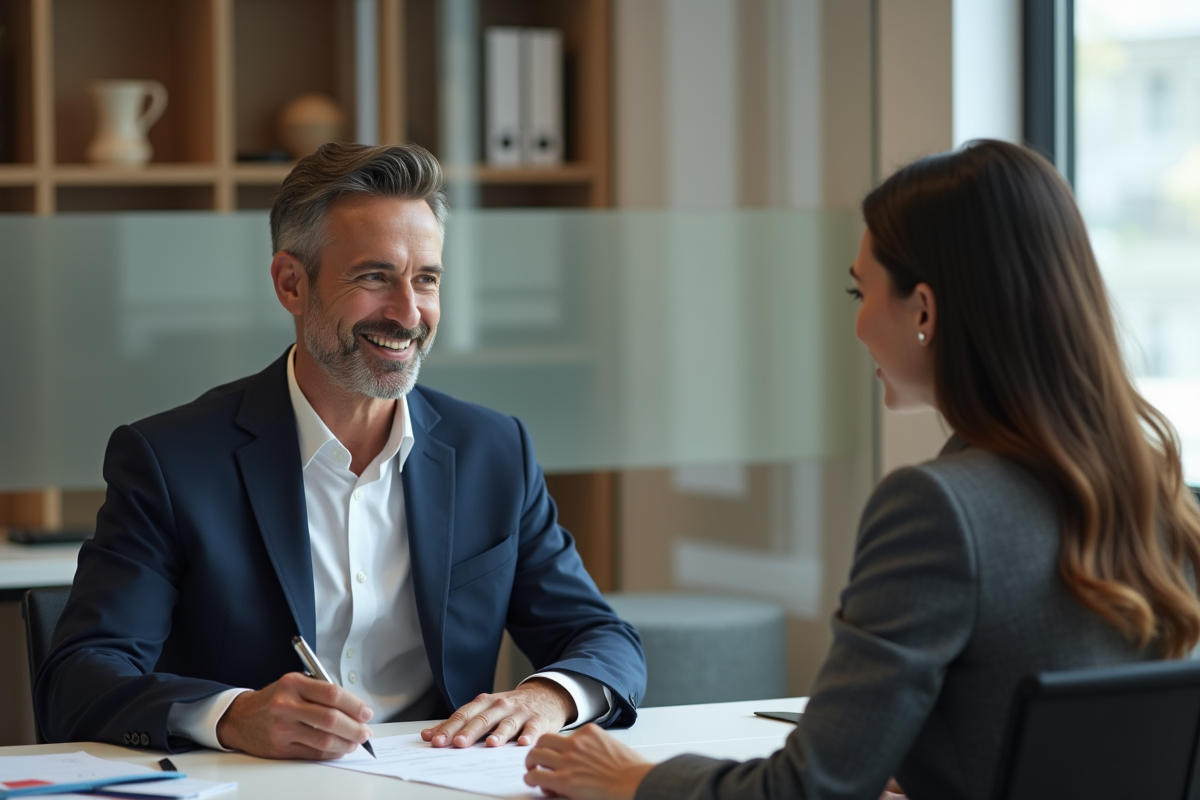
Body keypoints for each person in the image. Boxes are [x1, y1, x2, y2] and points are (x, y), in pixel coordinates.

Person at [522, 139, 1200, 800]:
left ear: (924, 310)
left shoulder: (940, 508)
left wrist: (631, 779)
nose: (856, 325)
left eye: (859, 292)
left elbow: (810, 787)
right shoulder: (1156, 489)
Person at [34, 142, 646, 759]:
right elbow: (78, 679)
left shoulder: (494, 451)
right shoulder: (170, 460)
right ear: (291, 284)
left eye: (426, 279)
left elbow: (602, 638)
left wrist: (548, 696)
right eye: (374, 277)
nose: (408, 313)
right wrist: (230, 716)